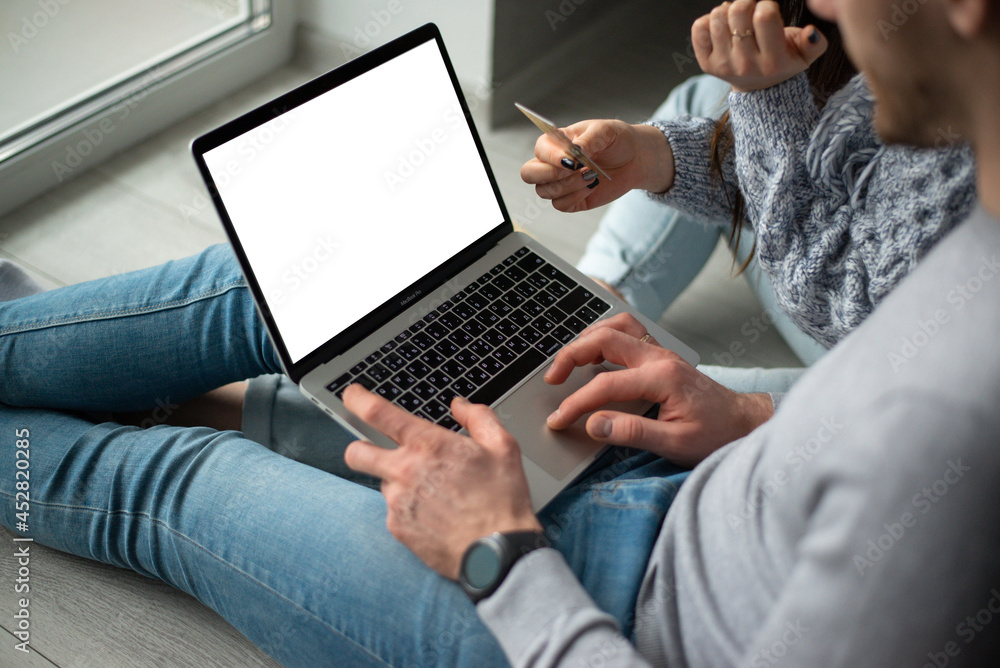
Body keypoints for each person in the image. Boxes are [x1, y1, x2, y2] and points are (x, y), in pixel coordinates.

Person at [0, 2, 996, 668]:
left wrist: (500, 557)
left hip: (596, 605)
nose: (828, 7)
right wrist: (741, 419)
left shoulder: (953, 417)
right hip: (691, 475)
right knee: (280, 292)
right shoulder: (974, 256)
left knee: (168, 481)